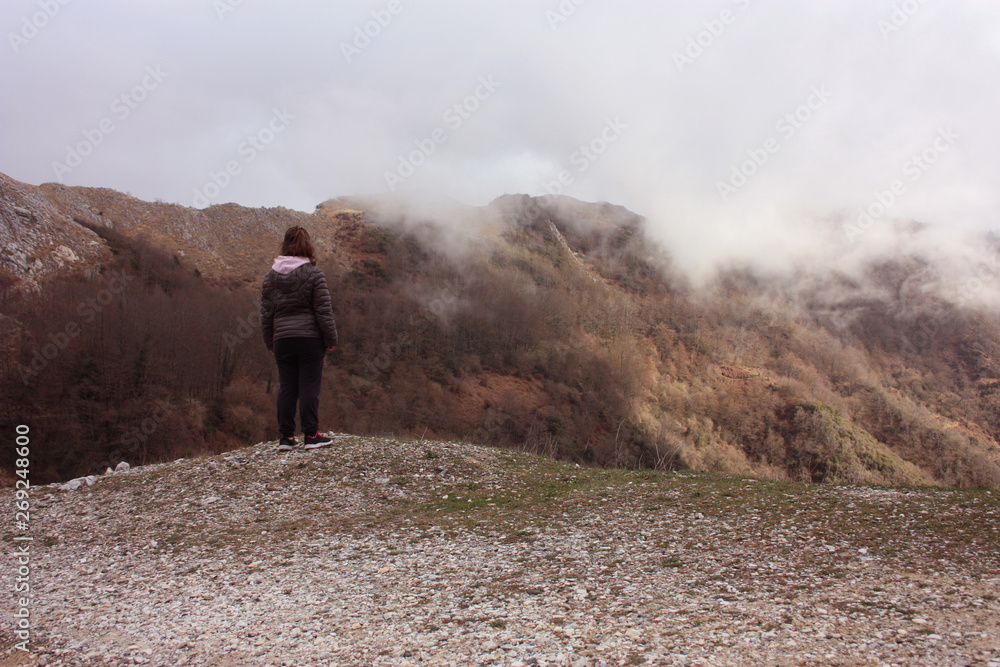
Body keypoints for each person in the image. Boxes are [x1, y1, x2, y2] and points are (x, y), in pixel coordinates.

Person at [260, 226, 338, 451]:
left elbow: (266, 315)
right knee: (309, 387)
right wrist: (330, 339)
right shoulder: (314, 274)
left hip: (282, 339)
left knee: (287, 387)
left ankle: (286, 437)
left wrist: (270, 342)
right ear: (308, 247)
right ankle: (311, 435)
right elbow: (323, 311)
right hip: (309, 339)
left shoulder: (270, 278)